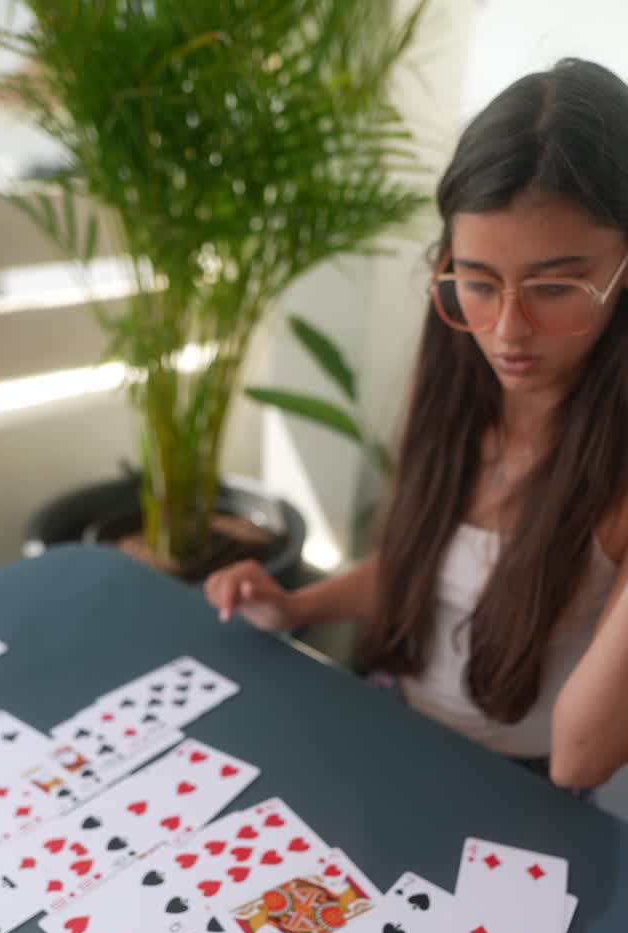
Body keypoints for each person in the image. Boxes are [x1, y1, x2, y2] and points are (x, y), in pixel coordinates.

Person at [204, 57, 628, 797]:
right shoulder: (458, 393)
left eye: (555, 287)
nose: (505, 332)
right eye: (476, 281)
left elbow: (579, 759)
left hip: (521, 786)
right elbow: (424, 566)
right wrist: (298, 606)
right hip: (394, 721)